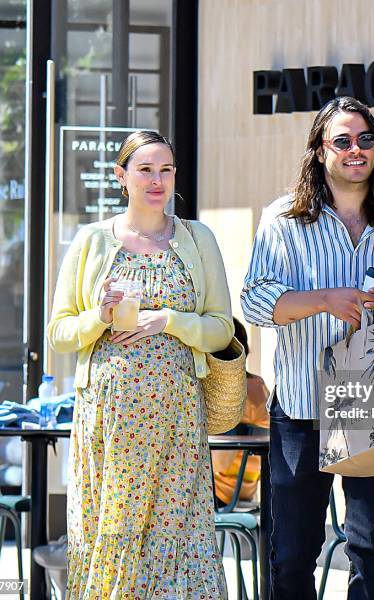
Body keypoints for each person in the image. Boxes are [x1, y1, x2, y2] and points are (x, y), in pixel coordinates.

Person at [241, 97, 374, 600]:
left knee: (372, 551)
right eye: (342, 141)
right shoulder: (283, 219)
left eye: (366, 140)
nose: (356, 150)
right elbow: (255, 299)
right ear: (318, 151)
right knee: (292, 555)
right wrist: (322, 300)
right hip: (302, 406)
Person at [48, 130, 233, 598]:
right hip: (109, 420)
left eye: (165, 170)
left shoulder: (197, 238)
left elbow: (221, 329)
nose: (157, 180)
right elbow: (59, 332)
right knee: (113, 535)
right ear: (121, 177)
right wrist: (100, 317)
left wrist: (168, 320)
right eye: (145, 169)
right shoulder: (93, 241)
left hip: (176, 418)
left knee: (176, 534)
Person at [211, 318, 269, 507]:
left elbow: (219, 463)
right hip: (249, 488)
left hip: (220, 491)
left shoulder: (225, 391)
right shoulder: (259, 386)